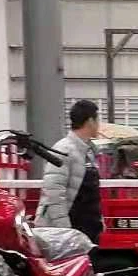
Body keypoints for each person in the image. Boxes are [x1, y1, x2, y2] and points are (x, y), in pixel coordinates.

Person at [36, 99, 103, 243]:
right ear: (90, 121)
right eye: (98, 120)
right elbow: (54, 193)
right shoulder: (64, 150)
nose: (99, 125)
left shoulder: (88, 151)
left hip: (88, 229)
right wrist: (66, 232)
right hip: (69, 232)